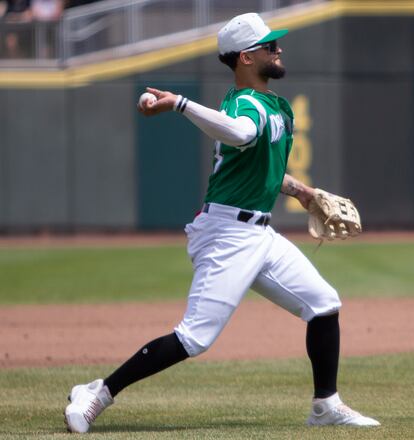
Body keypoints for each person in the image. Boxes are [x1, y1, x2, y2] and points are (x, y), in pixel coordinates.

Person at [63, 12, 380, 433]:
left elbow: (260, 166)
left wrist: (301, 192)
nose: (279, 49)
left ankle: (326, 405)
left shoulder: (270, 105)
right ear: (247, 57)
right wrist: (179, 103)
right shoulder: (244, 105)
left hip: (260, 232)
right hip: (227, 235)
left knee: (324, 304)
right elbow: (241, 133)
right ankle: (97, 392)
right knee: (194, 337)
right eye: (270, 45)